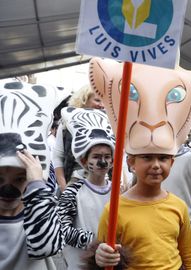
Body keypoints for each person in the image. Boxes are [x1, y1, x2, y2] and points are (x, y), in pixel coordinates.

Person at [89, 57, 191, 269]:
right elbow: (103, 256)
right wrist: (101, 256)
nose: (156, 164)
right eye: (146, 157)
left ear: (172, 163)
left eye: (163, 158)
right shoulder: (114, 210)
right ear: (131, 162)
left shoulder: (178, 207)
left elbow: (187, 255)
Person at [0, 80, 65, 269]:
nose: (8, 187)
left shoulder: (35, 213)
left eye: (20, 178)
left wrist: (37, 185)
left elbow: (47, 246)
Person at [57, 108, 115, 269]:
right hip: (80, 264)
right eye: (96, 157)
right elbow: (63, 229)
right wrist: (98, 241)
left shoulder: (118, 192)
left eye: (107, 157)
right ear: (84, 160)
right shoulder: (72, 191)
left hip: (109, 263)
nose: (102, 162)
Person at [53, 85, 104, 191]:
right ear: (84, 100)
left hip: (103, 185)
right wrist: (64, 188)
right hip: (74, 183)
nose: (102, 105)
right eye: (98, 100)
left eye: (104, 101)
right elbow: (57, 157)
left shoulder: (108, 124)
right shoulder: (66, 123)